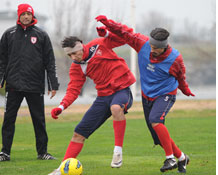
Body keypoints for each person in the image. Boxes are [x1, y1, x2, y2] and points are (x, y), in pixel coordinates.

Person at [96, 15, 195, 173]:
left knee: (155, 120)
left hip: (166, 94)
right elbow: (124, 32)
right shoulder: (143, 44)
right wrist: (108, 24)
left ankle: (170, 158)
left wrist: (185, 90)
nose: (152, 50)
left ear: (164, 46)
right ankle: (182, 157)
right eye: (152, 46)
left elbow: (181, 77)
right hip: (147, 95)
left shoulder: (175, 58)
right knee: (158, 136)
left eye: (156, 48)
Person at [48, 28, 136, 174]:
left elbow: (124, 38)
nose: (73, 57)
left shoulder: (100, 44)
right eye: (69, 55)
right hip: (102, 98)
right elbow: (73, 90)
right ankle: (61, 169)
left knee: (115, 108)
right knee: (78, 134)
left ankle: (118, 152)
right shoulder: (76, 67)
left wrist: (107, 32)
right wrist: (61, 107)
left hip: (122, 91)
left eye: (75, 53)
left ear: (82, 46)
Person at [0, 4, 59, 162]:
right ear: (19, 15)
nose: (26, 16)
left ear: (32, 15)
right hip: (13, 85)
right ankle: (4, 153)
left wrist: (53, 85)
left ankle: (43, 153)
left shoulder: (42, 35)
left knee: (39, 120)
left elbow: (50, 61)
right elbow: (1, 60)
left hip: (35, 86)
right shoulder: (9, 34)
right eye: (23, 14)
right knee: (8, 120)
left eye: (29, 14)